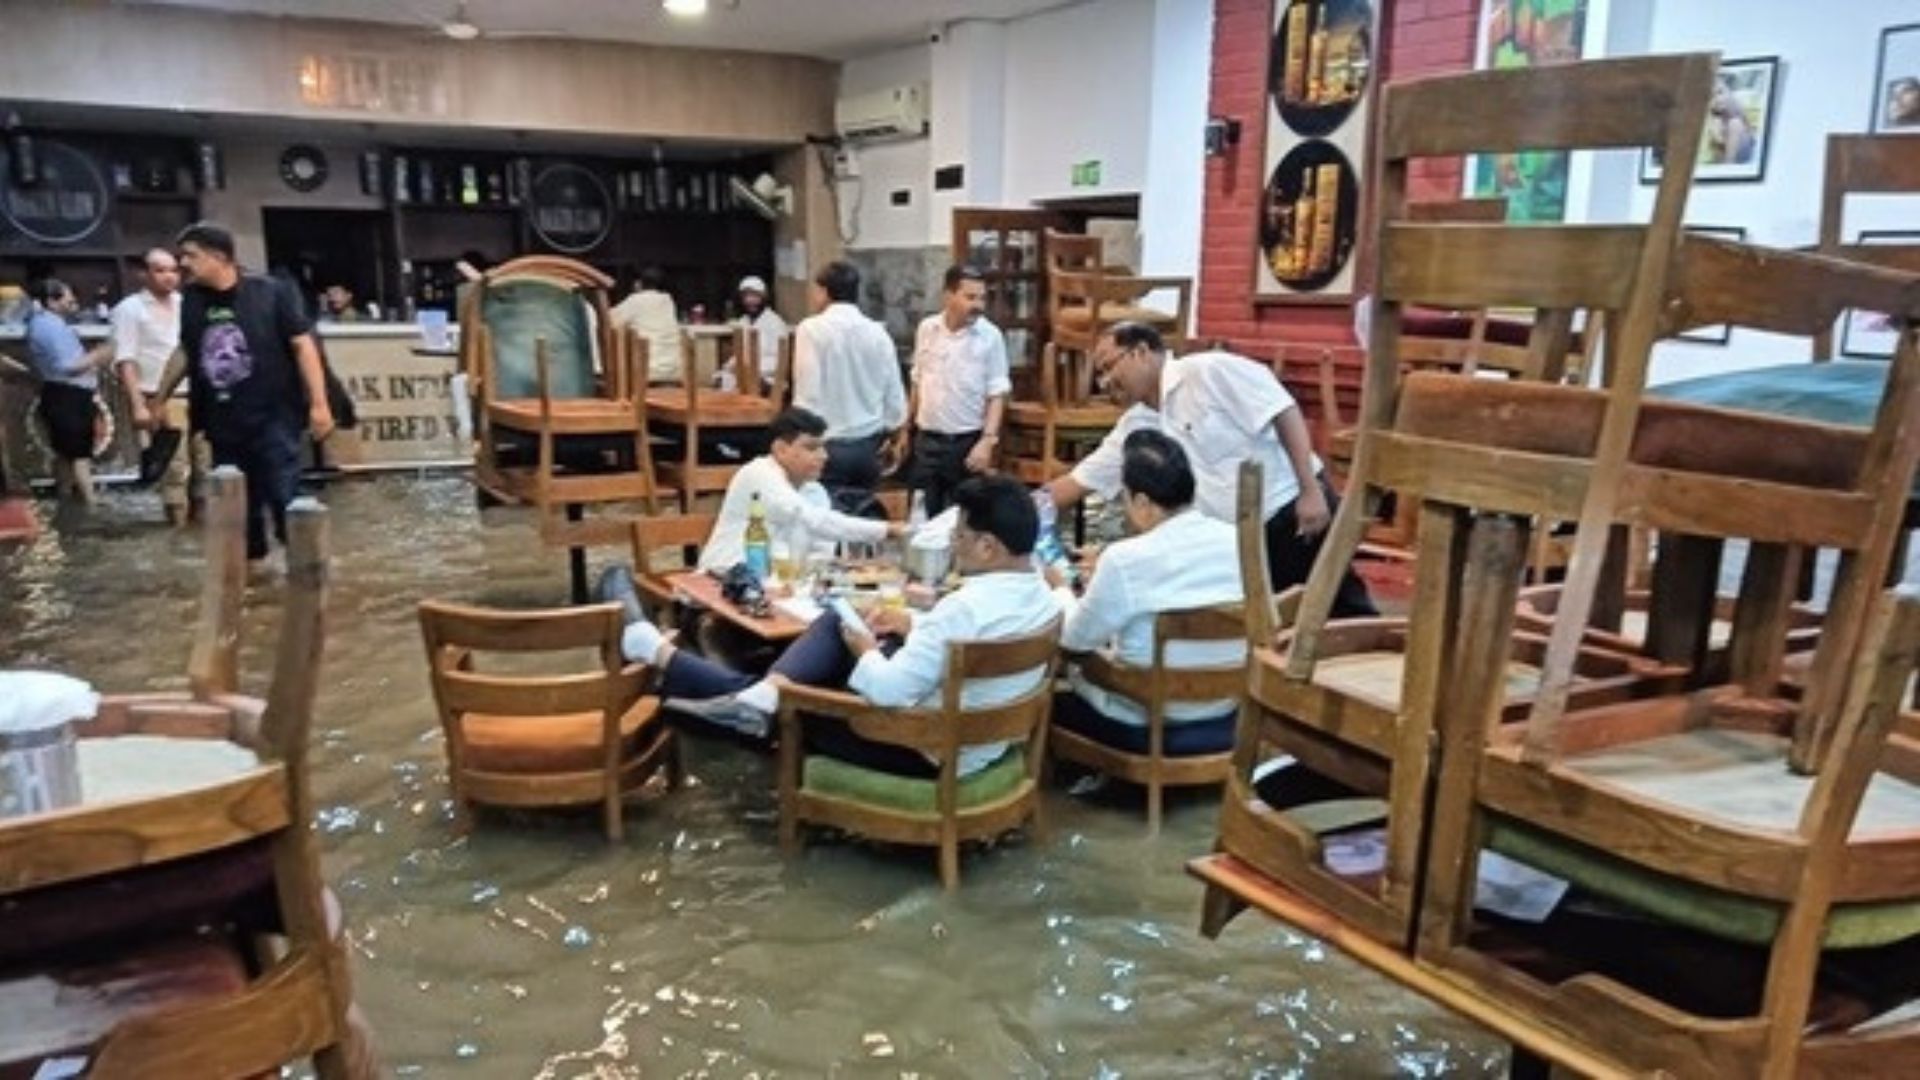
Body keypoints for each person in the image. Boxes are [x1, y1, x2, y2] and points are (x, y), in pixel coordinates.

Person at [607, 475, 1056, 769]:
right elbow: (970, 646)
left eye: (958, 537)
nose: (954, 546)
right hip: (980, 745)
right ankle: (753, 692)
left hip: (920, 747)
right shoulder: (1045, 598)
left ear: (987, 547)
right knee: (836, 621)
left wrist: (862, 645)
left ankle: (665, 658)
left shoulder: (963, 608)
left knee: (797, 699)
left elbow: (888, 692)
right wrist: (911, 626)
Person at [1045, 321, 1374, 617]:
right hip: (1237, 541)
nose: (1104, 383)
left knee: (1338, 608)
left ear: (1141, 352)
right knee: (1275, 626)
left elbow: (1283, 411)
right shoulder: (1136, 425)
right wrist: (1018, 509)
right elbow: (1080, 480)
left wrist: (1310, 489)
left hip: (1290, 510)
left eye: (1107, 368)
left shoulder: (1210, 371)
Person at [150, 222, 334, 572]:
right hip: (222, 422)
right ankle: (254, 585)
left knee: (284, 497)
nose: (183, 264)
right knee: (237, 510)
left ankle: (307, 575)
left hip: (273, 417)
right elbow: (186, 351)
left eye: (190, 255)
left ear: (219, 256)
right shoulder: (192, 300)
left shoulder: (271, 292)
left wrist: (320, 404)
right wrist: (159, 398)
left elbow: (303, 345)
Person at [1048, 429, 1244, 756]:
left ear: (1141, 501)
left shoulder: (1125, 560)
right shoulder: (1237, 540)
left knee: (1053, 690)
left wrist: (1061, 591)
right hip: (1224, 708)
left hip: (1147, 717)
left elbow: (1073, 641)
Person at [694, 406, 904, 572]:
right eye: (811, 448)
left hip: (778, 589)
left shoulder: (815, 491)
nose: (824, 456)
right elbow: (809, 518)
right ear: (781, 449)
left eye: (823, 447)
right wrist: (887, 530)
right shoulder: (758, 473)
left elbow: (822, 551)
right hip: (723, 578)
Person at [791, 260, 906, 511]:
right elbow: (895, 398)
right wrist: (893, 433)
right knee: (863, 522)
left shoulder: (811, 329)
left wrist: (799, 441)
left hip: (828, 446)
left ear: (823, 291)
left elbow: (807, 394)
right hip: (869, 448)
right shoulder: (878, 333)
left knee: (827, 527)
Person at [898, 264, 1010, 516]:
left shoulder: (990, 337)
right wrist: (906, 428)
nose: (978, 305)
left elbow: (997, 394)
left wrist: (987, 442)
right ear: (948, 296)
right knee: (921, 517)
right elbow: (918, 379)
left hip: (967, 444)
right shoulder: (927, 329)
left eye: (982, 298)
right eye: (970, 297)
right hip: (927, 441)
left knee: (965, 519)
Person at [111, 248, 193, 524]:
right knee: (175, 466)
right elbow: (126, 359)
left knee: (204, 464)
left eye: (173, 270)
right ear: (144, 274)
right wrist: (137, 405)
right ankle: (177, 528)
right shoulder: (130, 310)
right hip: (157, 395)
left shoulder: (186, 304)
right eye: (160, 270)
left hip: (195, 392)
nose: (169, 276)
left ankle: (201, 528)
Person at [26, 278, 112, 504]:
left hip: (64, 394)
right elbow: (68, 367)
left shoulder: (48, 324)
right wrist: (99, 355)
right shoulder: (49, 327)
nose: (73, 301)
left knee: (65, 452)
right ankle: (91, 502)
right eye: (67, 297)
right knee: (79, 453)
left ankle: (65, 497)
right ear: (52, 302)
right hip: (67, 395)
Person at [609, 266, 682, 384]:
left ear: (638, 283)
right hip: (674, 367)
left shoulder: (636, 300)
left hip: (647, 367)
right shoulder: (668, 300)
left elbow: (611, 320)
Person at [734, 274, 787, 384]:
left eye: (754, 296)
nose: (750, 300)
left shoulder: (775, 323)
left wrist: (752, 369)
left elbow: (778, 361)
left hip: (768, 379)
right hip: (744, 376)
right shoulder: (742, 322)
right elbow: (740, 356)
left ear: (763, 297)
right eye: (746, 296)